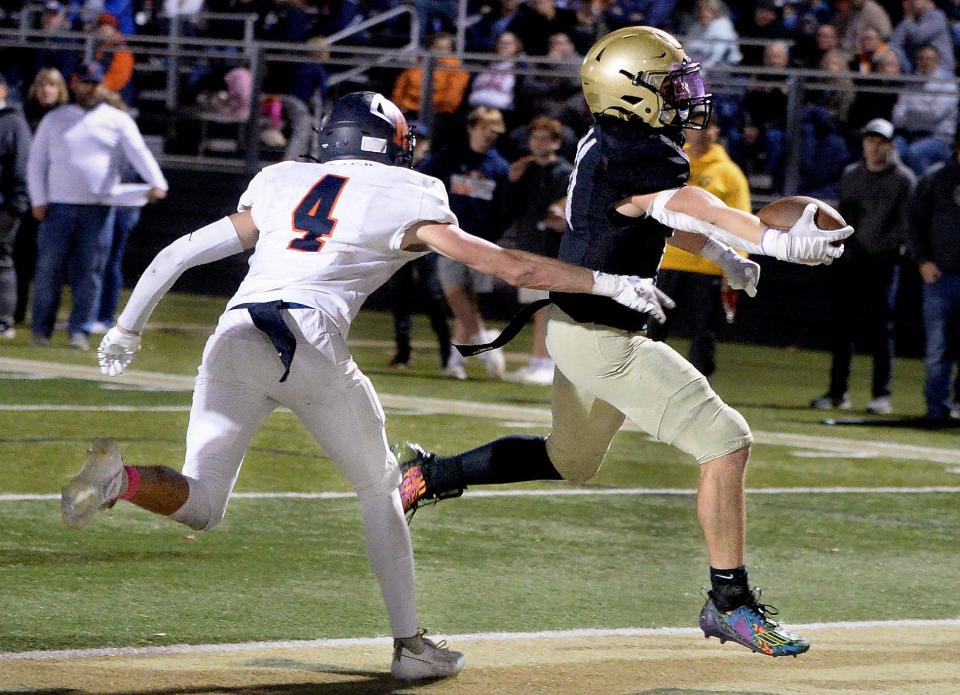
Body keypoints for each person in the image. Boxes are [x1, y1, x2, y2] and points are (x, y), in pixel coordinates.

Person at [61, 91, 678, 679]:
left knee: (202, 505)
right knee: (380, 487)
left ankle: (126, 480)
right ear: (392, 144)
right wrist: (607, 283)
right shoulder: (411, 192)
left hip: (234, 338)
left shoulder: (281, 182)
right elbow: (508, 265)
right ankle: (411, 645)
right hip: (308, 341)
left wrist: (125, 330)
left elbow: (179, 252)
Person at [396, 27, 851, 658]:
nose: (690, 94)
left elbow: (662, 214)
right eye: (674, 83)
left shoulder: (617, 142)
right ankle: (730, 603)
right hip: (602, 337)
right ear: (630, 92)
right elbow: (686, 201)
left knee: (568, 460)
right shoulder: (636, 148)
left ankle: (432, 474)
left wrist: (724, 255)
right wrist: (764, 237)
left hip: (578, 329)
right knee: (726, 440)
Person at [27, 61, 167, 350]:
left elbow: (138, 151)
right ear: (74, 84)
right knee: (47, 271)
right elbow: (37, 162)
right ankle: (41, 329)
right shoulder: (56, 119)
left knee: (90, 272)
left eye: (94, 83)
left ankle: (80, 328)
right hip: (58, 207)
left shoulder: (116, 119)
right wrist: (39, 200)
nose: (89, 88)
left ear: (101, 85)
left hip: (98, 208)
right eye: (84, 82)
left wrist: (157, 182)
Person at [810, 118, 915, 414]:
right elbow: (845, 217)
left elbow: (905, 225)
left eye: (880, 141)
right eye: (870, 140)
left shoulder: (904, 179)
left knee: (881, 330)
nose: (874, 146)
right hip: (853, 262)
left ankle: (881, 395)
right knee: (843, 328)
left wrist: (880, 249)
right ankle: (837, 392)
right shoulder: (852, 175)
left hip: (884, 264)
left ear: (891, 146)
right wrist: (848, 249)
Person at [647, 119, 751, 380]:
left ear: (717, 131)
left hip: (707, 266)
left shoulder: (729, 173)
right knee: (652, 328)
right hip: (666, 260)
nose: (700, 131)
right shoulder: (671, 163)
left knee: (703, 333)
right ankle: (641, 380)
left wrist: (735, 263)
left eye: (707, 126)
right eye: (694, 125)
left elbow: (741, 219)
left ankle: (700, 387)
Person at [418, 106, 511, 380]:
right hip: (452, 240)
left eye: (494, 130)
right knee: (455, 295)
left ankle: (456, 362)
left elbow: (503, 209)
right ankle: (485, 343)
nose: (489, 135)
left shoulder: (499, 166)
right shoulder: (451, 158)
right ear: (471, 128)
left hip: (483, 243)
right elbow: (425, 176)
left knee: (468, 304)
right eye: (484, 128)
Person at [500, 116, 572, 385]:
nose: (538, 143)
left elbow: (562, 213)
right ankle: (537, 361)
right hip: (529, 245)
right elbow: (510, 210)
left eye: (544, 138)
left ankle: (546, 363)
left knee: (546, 308)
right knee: (536, 307)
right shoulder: (526, 170)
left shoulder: (564, 172)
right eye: (534, 138)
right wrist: (513, 181)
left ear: (556, 142)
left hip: (551, 248)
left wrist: (556, 216)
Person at [908, 130, 960, 421]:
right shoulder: (935, 178)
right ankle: (936, 408)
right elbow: (913, 222)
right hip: (940, 276)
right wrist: (923, 260)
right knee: (939, 348)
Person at [891, 43, 957, 177]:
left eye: (929, 59)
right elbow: (897, 119)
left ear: (938, 61)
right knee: (889, 152)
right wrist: (921, 111)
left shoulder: (948, 84)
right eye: (921, 58)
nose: (925, 62)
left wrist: (911, 110)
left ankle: (925, 191)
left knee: (915, 153)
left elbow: (935, 115)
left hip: (939, 138)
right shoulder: (911, 83)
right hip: (910, 136)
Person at [0, 73, 32, 339]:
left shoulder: (13, 122)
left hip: (3, 206)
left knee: (2, 261)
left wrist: (16, 204)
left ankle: (3, 319)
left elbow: (21, 167)